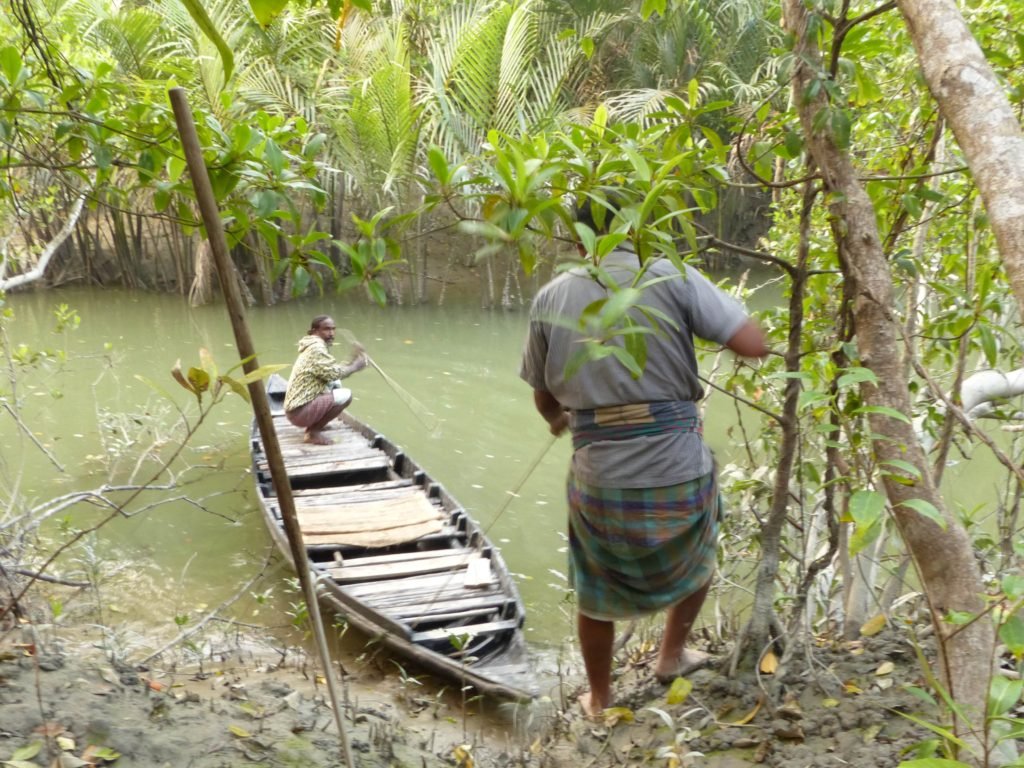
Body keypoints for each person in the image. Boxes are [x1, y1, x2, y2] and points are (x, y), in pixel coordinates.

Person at [519, 202, 768, 718]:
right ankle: (671, 656)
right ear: (642, 224)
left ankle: (600, 697)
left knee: (594, 586)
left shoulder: (551, 296)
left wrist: (560, 417)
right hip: (679, 462)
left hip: (599, 475)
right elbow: (752, 343)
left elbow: (544, 399)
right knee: (699, 551)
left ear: (581, 234)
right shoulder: (668, 275)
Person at [284, 315, 368, 445]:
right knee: (346, 395)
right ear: (314, 331)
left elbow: (332, 371)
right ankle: (313, 433)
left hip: (297, 411)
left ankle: (316, 425)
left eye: (333, 329)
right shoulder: (317, 348)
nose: (331, 334)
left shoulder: (314, 345)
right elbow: (335, 373)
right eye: (327, 329)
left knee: (336, 384)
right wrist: (356, 366)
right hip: (299, 413)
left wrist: (353, 357)